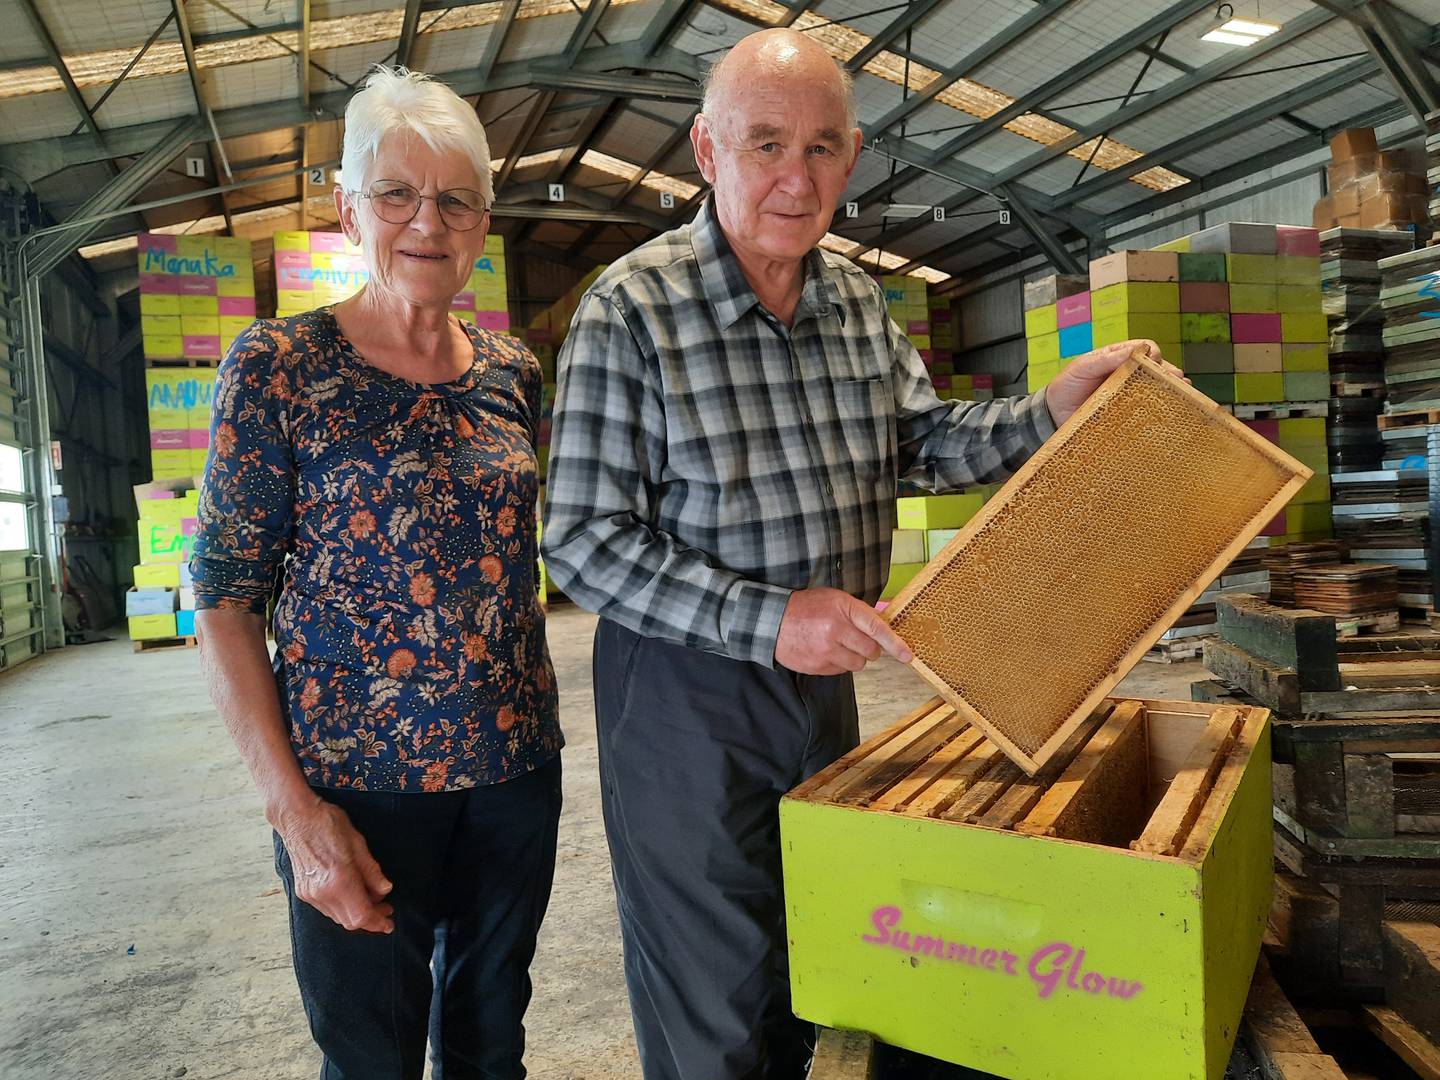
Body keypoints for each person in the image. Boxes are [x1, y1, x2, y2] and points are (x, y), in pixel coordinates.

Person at [541, 27, 1177, 1080]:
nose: (798, 178)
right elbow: (583, 543)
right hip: (683, 699)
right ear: (706, 152)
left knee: (827, 958)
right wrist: (770, 619)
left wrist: (1050, 411)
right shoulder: (632, 310)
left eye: (824, 148)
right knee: (715, 999)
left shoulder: (854, 302)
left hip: (824, 686)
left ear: (855, 154)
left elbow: (923, 444)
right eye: (766, 145)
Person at [191, 66, 562, 1080]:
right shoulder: (278, 367)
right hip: (356, 794)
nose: (425, 222)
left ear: (483, 220)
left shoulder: (514, 374)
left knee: (493, 1051)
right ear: (349, 208)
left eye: (454, 198)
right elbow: (222, 599)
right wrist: (295, 814)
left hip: (515, 777)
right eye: (396, 193)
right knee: (373, 1060)